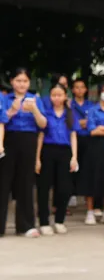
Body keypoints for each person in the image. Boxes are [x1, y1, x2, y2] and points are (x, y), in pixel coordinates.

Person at [0, 68, 47, 238]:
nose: (22, 84)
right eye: (18, 80)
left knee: (26, 182)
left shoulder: (36, 99)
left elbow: (43, 124)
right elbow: (1, 120)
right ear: (12, 81)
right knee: (3, 182)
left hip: (28, 140)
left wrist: (34, 109)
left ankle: (25, 226)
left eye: (25, 81)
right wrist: (12, 110)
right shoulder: (4, 99)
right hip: (8, 139)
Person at [35, 84, 79, 235]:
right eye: (54, 95)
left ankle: (59, 220)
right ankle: (44, 221)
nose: (57, 98)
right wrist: (37, 159)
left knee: (65, 188)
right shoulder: (45, 113)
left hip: (65, 152)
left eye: (60, 95)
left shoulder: (71, 114)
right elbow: (40, 136)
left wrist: (74, 157)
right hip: (47, 150)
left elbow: (73, 136)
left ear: (65, 96)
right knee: (44, 187)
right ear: (50, 96)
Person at [80, 83, 104, 225]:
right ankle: (90, 212)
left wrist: (101, 127)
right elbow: (92, 130)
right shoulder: (92, 110)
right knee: (91, 179)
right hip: (94, 148)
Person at [68, 78, 95, 208]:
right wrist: (81, 123)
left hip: (87, 138)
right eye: (76, 87)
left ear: (85, 89)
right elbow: (70, 121)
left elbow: (91, 122)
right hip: (73, 138)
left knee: (86, 166)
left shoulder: (90, 105)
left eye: (82, 87)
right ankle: (71, 194)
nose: (79, 90)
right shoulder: (69, 104)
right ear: (72, 90)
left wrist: (83, 123)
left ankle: (84, 193)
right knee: (72, 165)